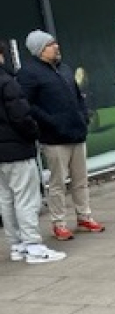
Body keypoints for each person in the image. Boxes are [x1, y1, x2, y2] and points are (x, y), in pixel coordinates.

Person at [18, 30, 104, 241]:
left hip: (76, 133)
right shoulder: (28, 74)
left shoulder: (65, 69)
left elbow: (78, 96)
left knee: (80, 180)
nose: (56, 47)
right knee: (57, 183)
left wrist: (83, 116)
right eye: (50, 44)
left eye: (55, 43)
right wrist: (51, 121)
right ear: (39, 50)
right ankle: (59, 223)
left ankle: (84, 216)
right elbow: (26, 104)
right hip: (54, 138)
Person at [0, 40, 66, 264]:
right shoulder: (7, 82)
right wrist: (33, 132)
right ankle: (33, 245)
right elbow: (20, 116)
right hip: (16, 149)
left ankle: (17, 245)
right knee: (25, 198)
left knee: (6, 199)